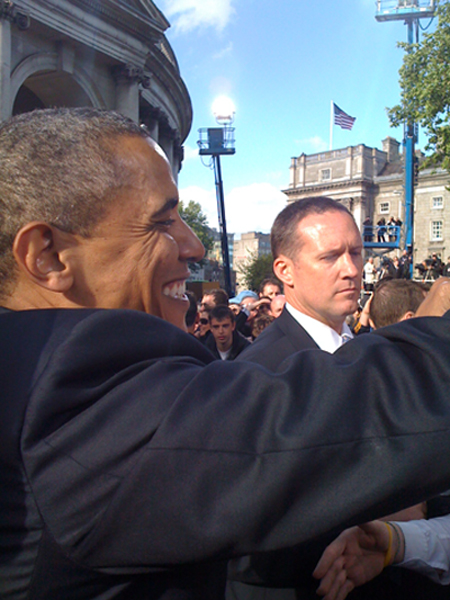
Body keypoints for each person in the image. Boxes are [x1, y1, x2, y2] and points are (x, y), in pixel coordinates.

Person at [4, 108, 450, 600]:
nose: (193, 245)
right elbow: (312, 424)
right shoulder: (64, 389)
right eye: (161, 221)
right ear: (47, 256)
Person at [237, 197, 361, 371]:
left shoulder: (372, 354)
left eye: (355, 253)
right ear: (285, 271)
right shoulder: (258, 372)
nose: (352, 270)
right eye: (330, 257)